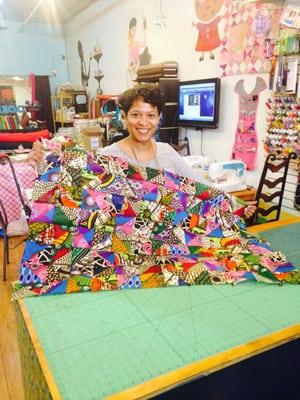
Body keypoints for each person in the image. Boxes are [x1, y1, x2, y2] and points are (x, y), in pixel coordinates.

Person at [98, 83, 256, 219]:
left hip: (166, 237)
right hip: (128, 241)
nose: (143, 122)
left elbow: (199, 186)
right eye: (136, 115)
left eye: (151, 115)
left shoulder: (166, 152)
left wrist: (234, 204)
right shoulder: (107, 157)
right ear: (124, 116)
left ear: (159, 117)